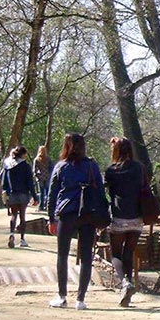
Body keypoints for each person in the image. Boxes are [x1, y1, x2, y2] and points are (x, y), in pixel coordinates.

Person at [47, 133, 105, 310]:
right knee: (86, 256)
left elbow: (52, 194)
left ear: (66, 146)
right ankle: (80, 299)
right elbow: (100, 191)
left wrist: (51, 218)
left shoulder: (61, 166)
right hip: (87, 214)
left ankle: (62, 296)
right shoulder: (91, 166)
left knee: (62, 255)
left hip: (67, 213)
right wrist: (101, 215)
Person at [104, 137, 147, 307]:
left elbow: (105, 190)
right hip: (137, 217)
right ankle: (127, 293)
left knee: (115, 253)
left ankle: (125, 283)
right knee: (128, 252)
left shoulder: (111, 170)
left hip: (119, 216)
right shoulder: (139, 168)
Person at [0, 145, 36, 248]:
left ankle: (11, 234)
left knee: (14, 215)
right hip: (24, 194)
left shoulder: (8, 165)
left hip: (12, 193)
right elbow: (30, 183)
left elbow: (3, 180)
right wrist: (35, 196)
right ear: (23, 154)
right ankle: (22, 239)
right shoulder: (26, 166)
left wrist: (5, 191)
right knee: (22, 216)